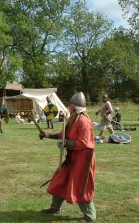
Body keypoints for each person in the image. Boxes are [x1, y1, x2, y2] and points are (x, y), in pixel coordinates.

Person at [39, 92, 96, 222]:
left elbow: (84, 143)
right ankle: (55, 207)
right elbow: (64, 134)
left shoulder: (83, 121)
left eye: (70, 104)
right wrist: (48, 135)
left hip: (83, 158)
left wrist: (66, 143)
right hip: (73, 156)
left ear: (74, 106)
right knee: (61, 178)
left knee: (81, 185)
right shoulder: (73, 118)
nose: (68, 106)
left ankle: (90, 216)